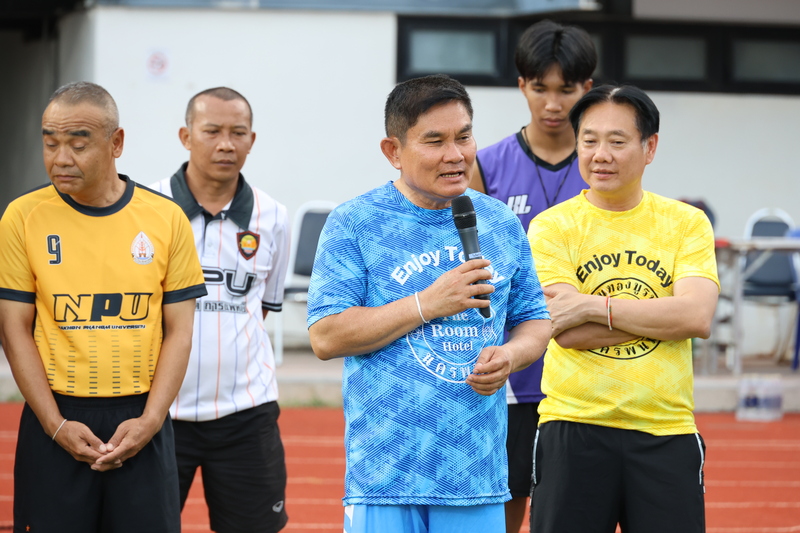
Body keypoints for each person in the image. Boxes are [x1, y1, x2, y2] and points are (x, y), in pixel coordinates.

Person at [307, 74, 551, 533]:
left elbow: (535, 320)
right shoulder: (354, 222)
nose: (455, 155)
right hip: (384, 477)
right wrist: (427, 303)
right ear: (393, 151)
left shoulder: (499, 221)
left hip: (474, 472)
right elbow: (325, 335)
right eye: (434, 141)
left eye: (464, 137)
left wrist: (511, 355)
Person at [0, 81, 207, 532]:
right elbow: (13, 329)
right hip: (54, 417)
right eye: (50, 142)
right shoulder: (22, 216)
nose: (60, 158)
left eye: (78, 144)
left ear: (116, 143)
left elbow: (181, 330)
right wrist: (55, 425)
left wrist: (151, 420)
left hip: (140, 418)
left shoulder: (166, 218)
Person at [527, 84, 719, 533]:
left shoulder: (686, 223)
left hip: (665, 430)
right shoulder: (551, 227)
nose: (601, 154)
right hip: (573, 426)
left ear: (649, 147)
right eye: (589, 141)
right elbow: (566, 330)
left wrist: (592, 305)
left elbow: (696, 317)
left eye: (617, 141)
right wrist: (664, 317)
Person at [468, 19, 596, 532]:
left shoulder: (602, 167)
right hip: (514, 368)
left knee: (569, 512)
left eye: (566, 89)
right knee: (505, 502)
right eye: (539, 88)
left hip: (585, 365)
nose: (552, 103)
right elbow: (470, 265)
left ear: (587, 89)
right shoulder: (488, 165)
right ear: (522, 85)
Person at [150, 87, 290, 533]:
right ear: (185, 136)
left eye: (238, 133)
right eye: (211, 131)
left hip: (246, 415)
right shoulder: (145, 209)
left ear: (253, 140)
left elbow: (261, 308)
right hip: (156, 416)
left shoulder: (274, 216)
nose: (225, 144)